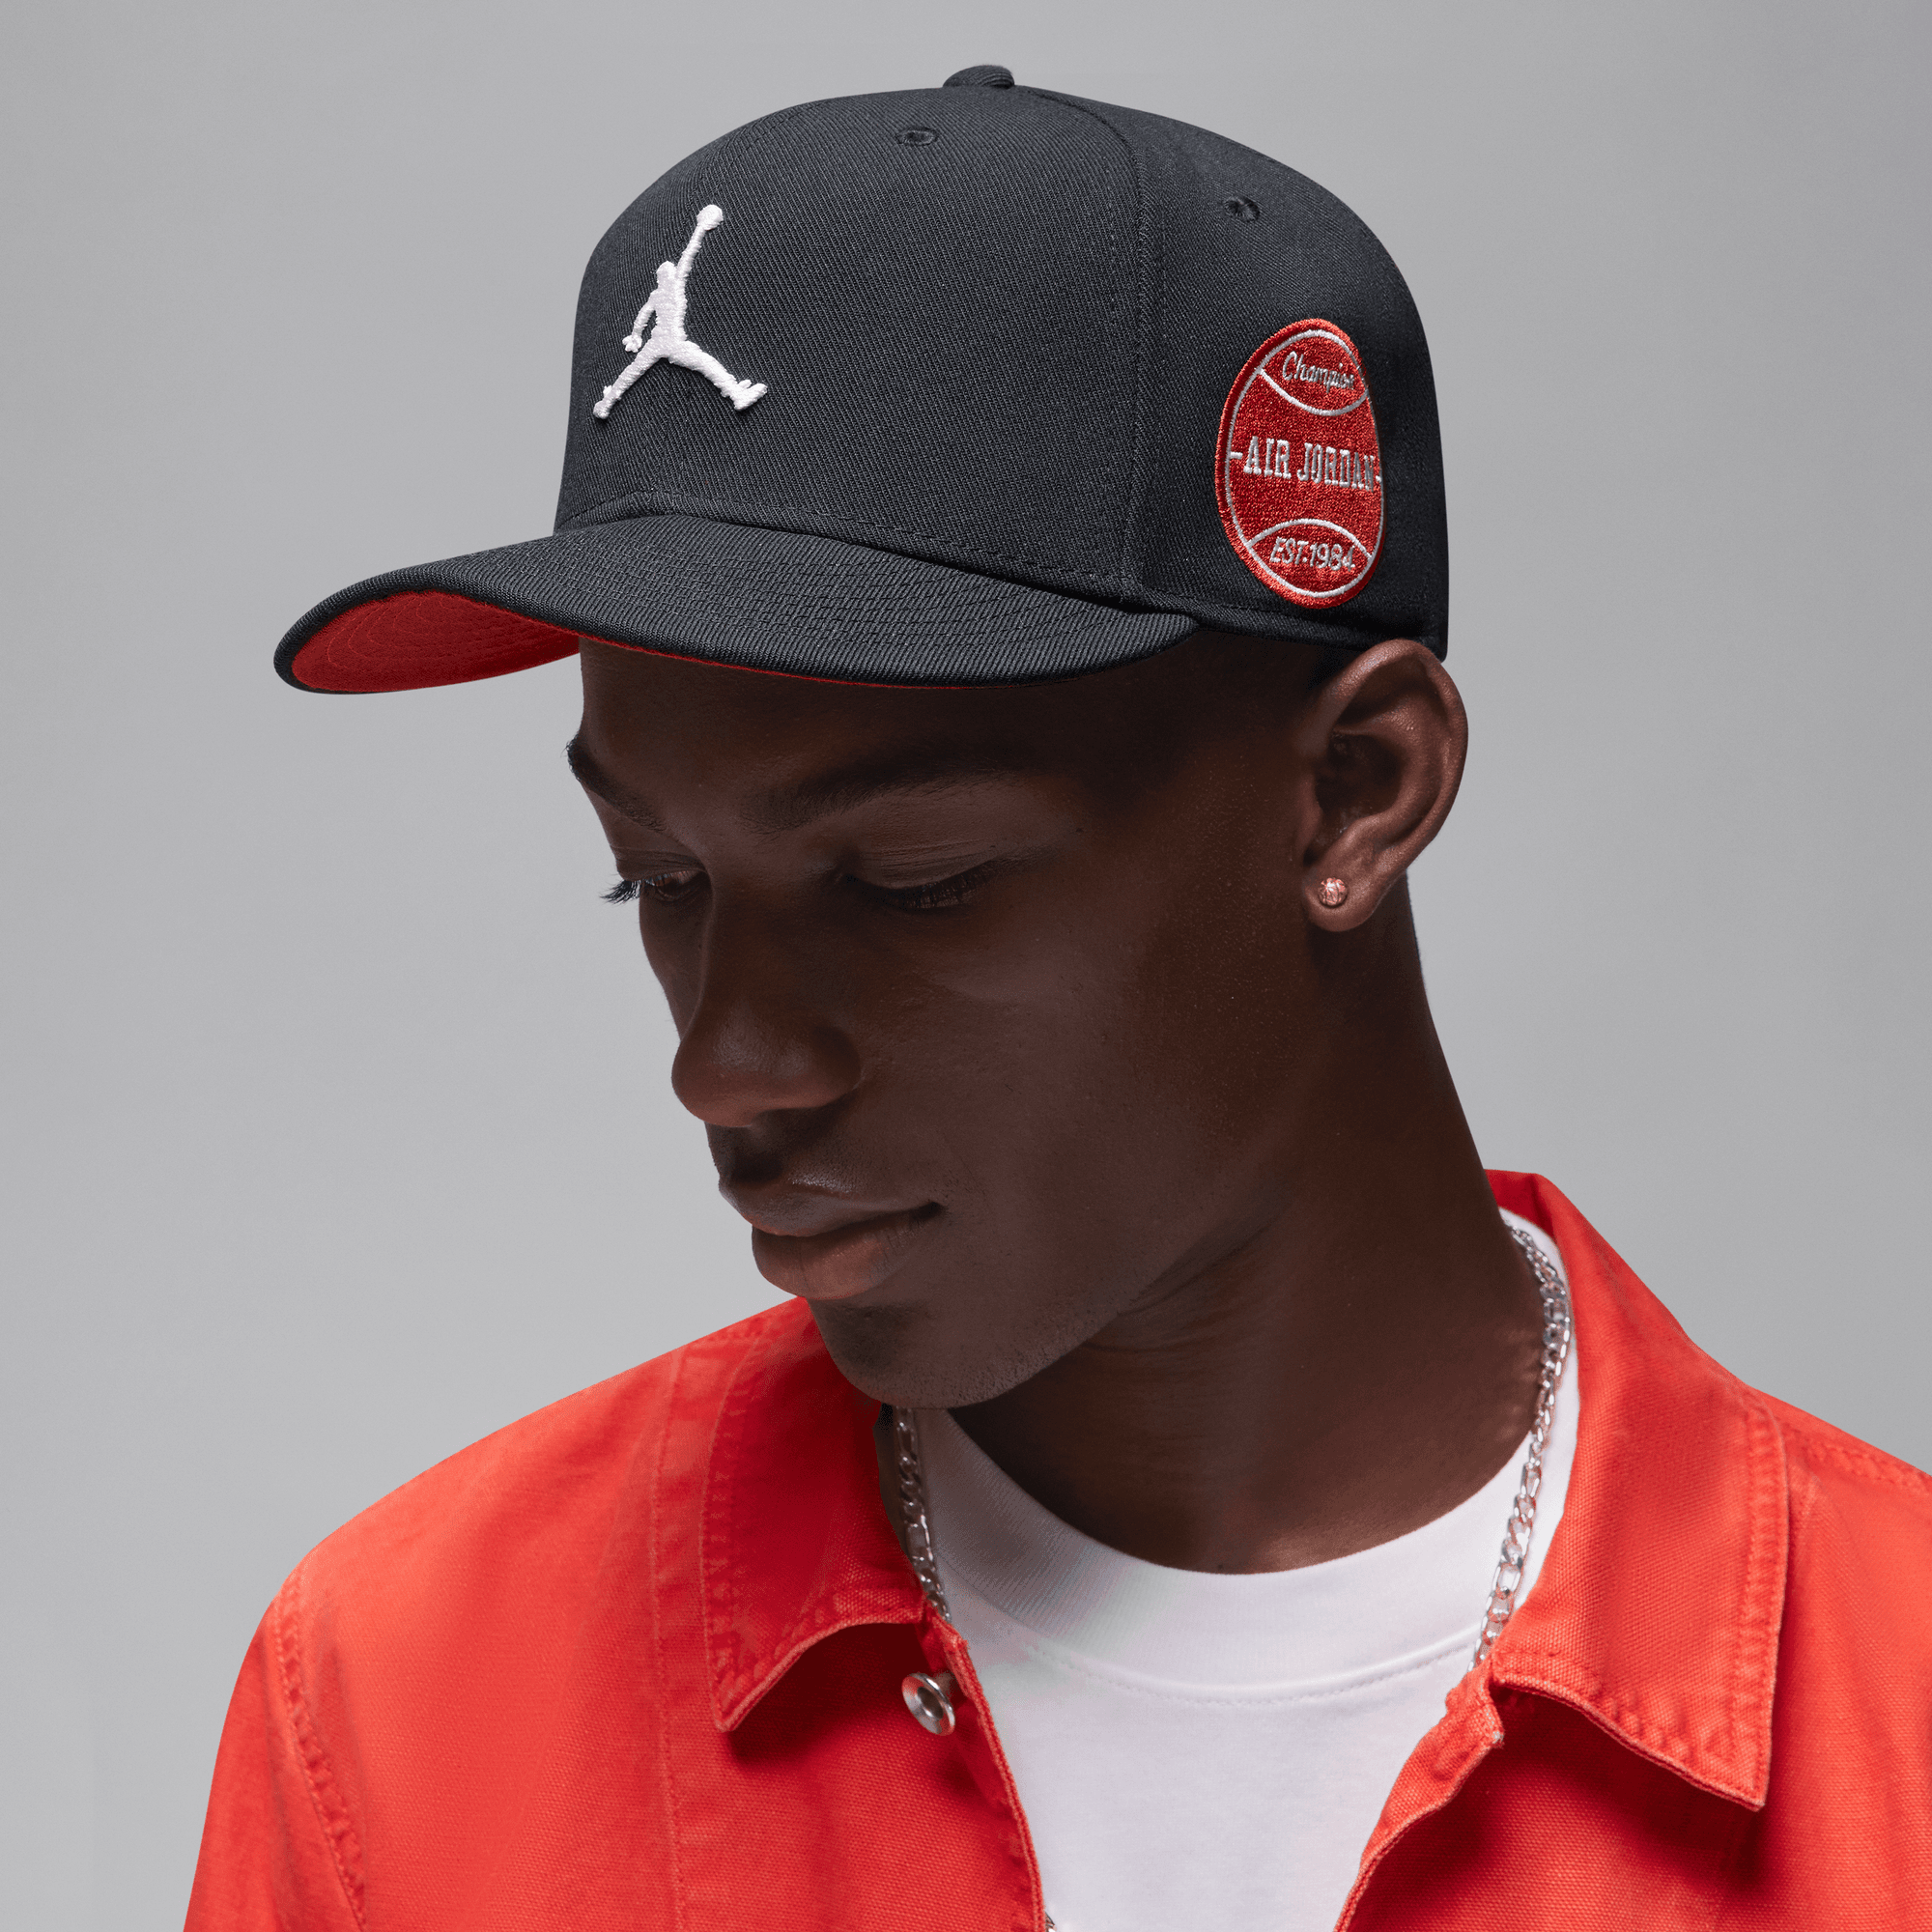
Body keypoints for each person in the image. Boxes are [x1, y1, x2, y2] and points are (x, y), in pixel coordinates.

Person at [185, 67, 1932, 1932]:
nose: (726, 1062)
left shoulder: (1891, 1707)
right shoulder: (405, 1709)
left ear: (1357, 791)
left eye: (909, 881)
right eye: (659, 878)